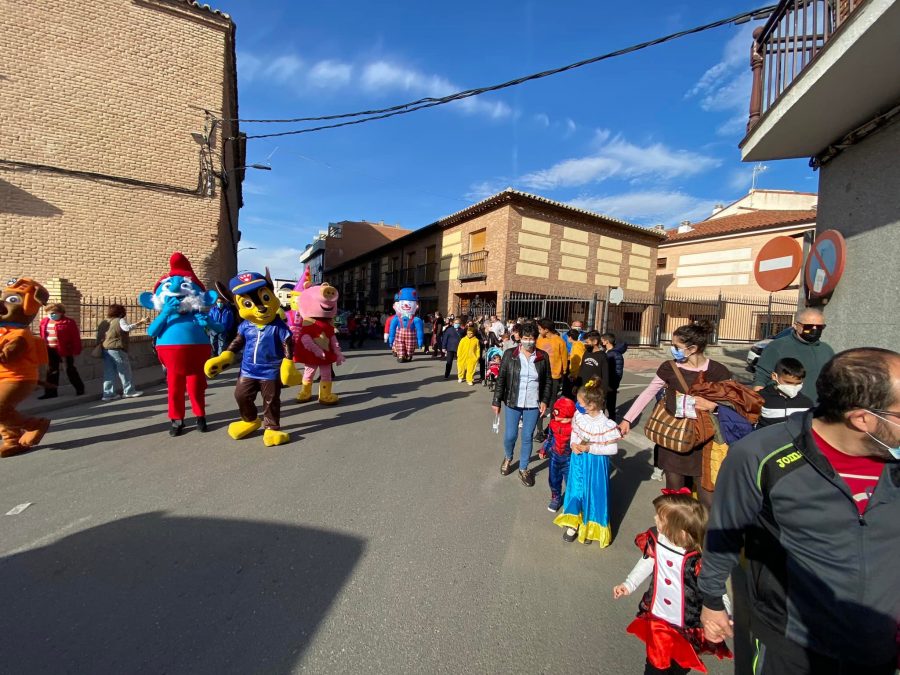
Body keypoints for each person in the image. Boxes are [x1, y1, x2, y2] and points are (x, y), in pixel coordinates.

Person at [699, 347, 900, 675]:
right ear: (862, 418)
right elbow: (726, 530)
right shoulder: (760, 455)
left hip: (878, 645)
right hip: (790, 642)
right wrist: (712, 599)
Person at [614, 490, 731, 675]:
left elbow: (717, 589)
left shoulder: (699, 558)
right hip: (659, 617)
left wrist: (725, 613)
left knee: (680, 665)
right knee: (655, 665)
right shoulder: (656, 540)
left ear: (681, 531)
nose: (654, 519)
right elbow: (647, 562)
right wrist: (629, 584)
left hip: (687, 624)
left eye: (660, 518)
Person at [618, 321, 731, 505]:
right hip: (673, 438)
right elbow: (649, 392)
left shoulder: (718, 371)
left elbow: (734, 403)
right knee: (676, 495)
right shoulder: (669, 368)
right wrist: (627, 420)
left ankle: (702, 524)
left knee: (706, 497)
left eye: (676, 346)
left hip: (704, 440)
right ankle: (676, 523)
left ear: (692, 348)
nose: (672, 350)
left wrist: (713, 406)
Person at [554, 378, 620, 545]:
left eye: (581, 402)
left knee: (593, 493)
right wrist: (573, 444)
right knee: (576, 490)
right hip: (578, 460)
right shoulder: (580, 416)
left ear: (591, 405)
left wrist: (590, 449)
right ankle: (573, 523)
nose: (578, 405)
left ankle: (590, 527)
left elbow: (612, 449)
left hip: (595, 465)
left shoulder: (606, 424)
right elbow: (575, 433)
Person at [491, 324, 552, 487]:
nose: (528, 341)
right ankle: (508, 457)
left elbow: (548, 381)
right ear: (520, 338)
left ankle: (524, 468)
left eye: (531, 338)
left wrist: (545, 400)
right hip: (513, 401)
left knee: (527, 436)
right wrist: (496, 400)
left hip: (533, 403)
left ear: (536, 339)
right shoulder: (510, 355)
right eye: (525, 338)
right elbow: (501, 379)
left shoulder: (542, 356)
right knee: (510, 435)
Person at [753, 307, 834, 402]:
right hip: (785, 407)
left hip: (819, 408)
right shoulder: (777, 347)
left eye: (819, 327)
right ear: (796, 325)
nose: (814, 329)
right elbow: (761, 379)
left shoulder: (826, 350)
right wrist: (760, 405)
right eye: (808, 327)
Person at [97, 304, 147, 401]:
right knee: (124, 371)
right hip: (117, 348)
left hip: (105, 348)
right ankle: (129, 391)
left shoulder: (104, 322)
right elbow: (126, 328)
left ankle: (108, 394)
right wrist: (140, 322)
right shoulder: (119, 320)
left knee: (109, 372)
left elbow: (98, 335)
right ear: (120, 312)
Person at [38, 303, 85, 398]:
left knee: (69, 369)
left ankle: (79, 388)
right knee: (51, 371)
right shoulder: (44, 322)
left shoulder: (68, 322)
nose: (51, 315)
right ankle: (51, 393)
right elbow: (42, 335)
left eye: (54, 313)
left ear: (61, 313)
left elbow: (75, 337)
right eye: (49, 313)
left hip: (64, 349)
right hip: (50, 349)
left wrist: (76, 349)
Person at [756, 357, 814, 428]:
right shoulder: (760, 398)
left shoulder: (806, 403)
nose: (793, 387)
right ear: (774, 376)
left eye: (798, 383)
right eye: (788, 382)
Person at [535, 318, 568, 441]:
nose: (538, 330)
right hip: (540, 375)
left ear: (546, 329)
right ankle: (539, 431)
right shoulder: (539, 339)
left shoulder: (559, 341)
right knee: (539, 403)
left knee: (553, 404)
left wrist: (564, 372)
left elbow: (564, 358)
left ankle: (551, 429)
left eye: (540, 329)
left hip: (554, 376)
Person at [542, 396, 575, 512]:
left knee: (571, 481)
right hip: (554, 457)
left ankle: (571, 501)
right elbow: (549, 438)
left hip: (569, 459)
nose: (557, 420)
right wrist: (544, 449)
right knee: (553, 479)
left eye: (561, 419)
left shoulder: (575, 427)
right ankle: (556, 497)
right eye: (556, 417)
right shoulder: (553, 424)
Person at [600, 332, 627, 418]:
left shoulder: (616, 354)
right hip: (603, 384)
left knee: (610, 407)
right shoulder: (605, 352)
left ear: (607, 341)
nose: (601, 342)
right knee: (601, 406)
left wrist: (613, 385)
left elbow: (618, 372)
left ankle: (612, 422)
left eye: (602, 340)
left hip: (611, 385)